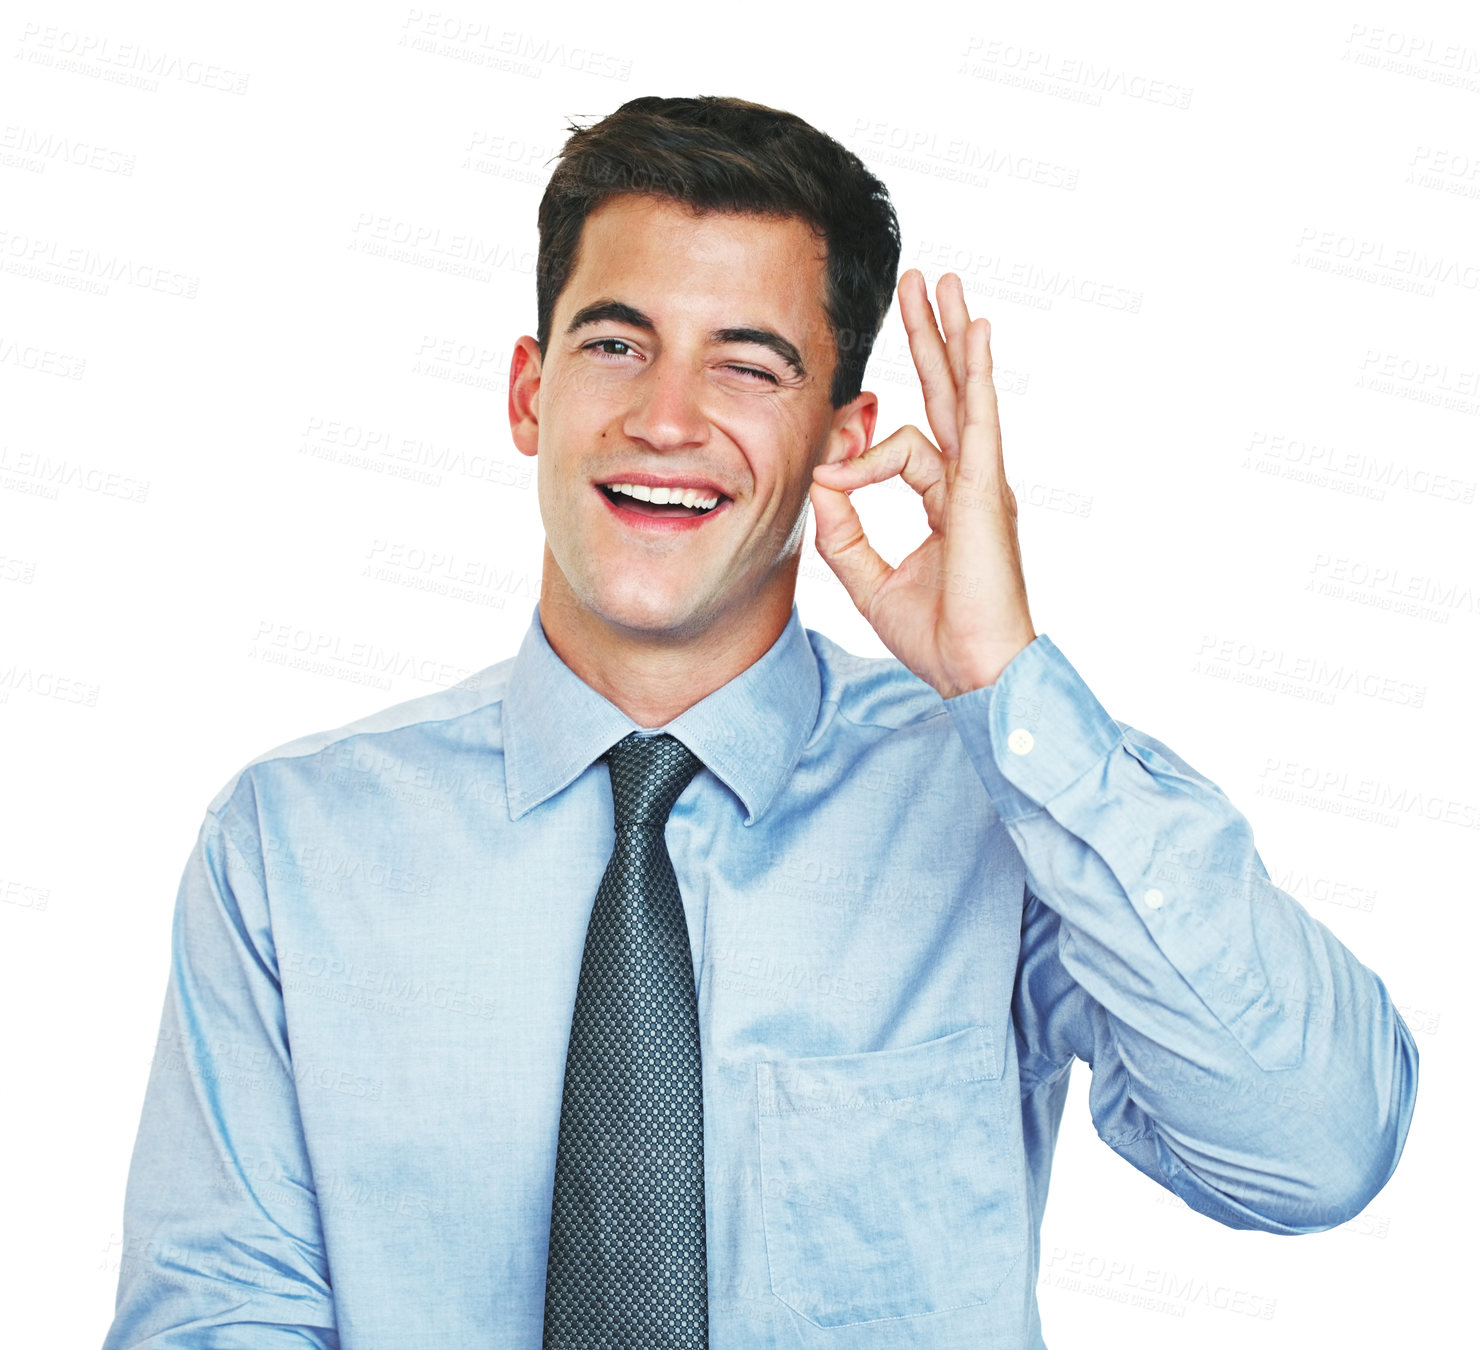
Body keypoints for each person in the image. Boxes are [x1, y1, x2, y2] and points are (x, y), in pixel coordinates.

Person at [102, 95, 1417, 1350]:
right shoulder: (294, 845)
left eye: (749, 364)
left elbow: (1315, 1145)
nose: (665, 418)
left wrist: (1006, 684)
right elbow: (221, 1315)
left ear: (845, 437)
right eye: (615, 343)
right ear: (527, 392)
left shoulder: (997, 811)